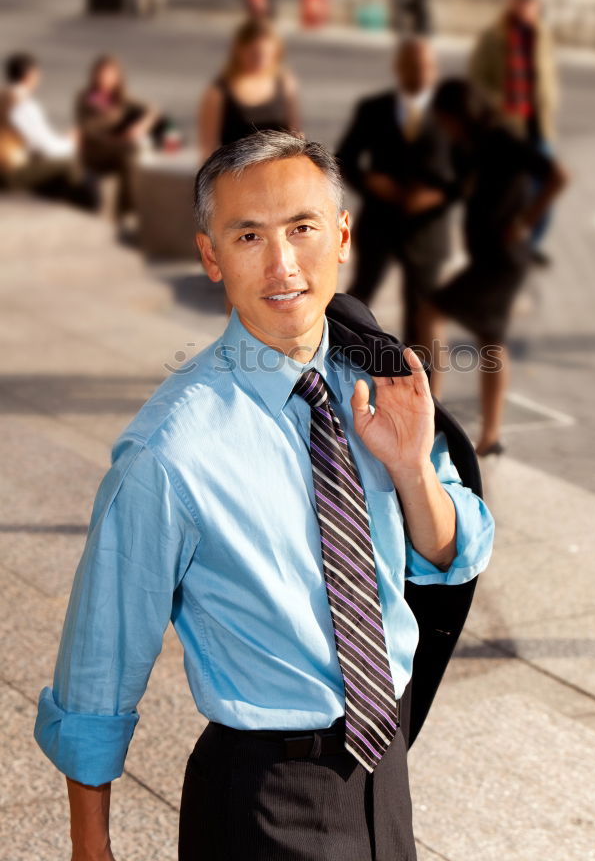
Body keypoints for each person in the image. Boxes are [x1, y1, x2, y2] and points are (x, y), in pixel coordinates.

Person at [33, 130, 494, 861]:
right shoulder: (170, 453)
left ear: (341, 235)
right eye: (249, 236)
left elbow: (453, 554)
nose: (282, 265)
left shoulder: (376, 376)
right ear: (211, 256)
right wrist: (92, 848)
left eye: (302, 228)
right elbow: (99, 662)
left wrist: (411, 468)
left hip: (385, 768)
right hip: (264, 801)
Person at [426, 79, 567, 456]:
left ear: (462, 114)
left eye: (447, 120)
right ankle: (490, 435)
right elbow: (460, 190)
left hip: (504, 258)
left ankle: (432, 408)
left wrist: (525, 221)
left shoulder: (502, 139)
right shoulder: (468, 145)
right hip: (491, 255)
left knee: (433, 309)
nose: (445, 128)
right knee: (491, 339)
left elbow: (557, 176)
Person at [336, 35, 454, 351]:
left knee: (422, 314)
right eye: (414, 66)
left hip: (427, 229)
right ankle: (340, 371)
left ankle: (424, 392)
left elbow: (471, 173)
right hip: (379, 223)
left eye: (428, 66)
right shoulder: (373, 109)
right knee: (357, 305)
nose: (422, 73)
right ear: (399, 68)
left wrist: (436, 196)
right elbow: (344, 158)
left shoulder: (451, 116)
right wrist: (370, 182)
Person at [469, 0, 560, 265]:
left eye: (531, 2)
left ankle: (529, 243)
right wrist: (500, 107)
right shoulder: (493, 36)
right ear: (512, 1)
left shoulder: (542, 34)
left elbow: (548, 74)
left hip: (538, 125)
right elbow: (476, 81)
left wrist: (549, 101)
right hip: (509, 128)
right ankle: (508, 247)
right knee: (513, 193)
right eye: (521, 0)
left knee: (545, 188)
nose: (525, 7)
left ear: (538, 5)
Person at [197, 18, 301, 162]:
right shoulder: (218, 92)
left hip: (277, 173)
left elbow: (296, 136)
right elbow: (207, 150)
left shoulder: (285, 84)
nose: (260, 61)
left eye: (266, 55)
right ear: (239, 51)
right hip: (236, 176)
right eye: (254, 54)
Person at [75, 55, 161, 223]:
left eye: (109, 75)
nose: (104, 79)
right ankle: (128, 211)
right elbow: (91, 132)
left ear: (117, 78)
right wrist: (120, 136)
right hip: (95, 153)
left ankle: (126, 212)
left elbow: (153, 109)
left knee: (132, 157)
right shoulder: (86, 98)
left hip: (118, 150)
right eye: (101, 74)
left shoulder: (121, 98)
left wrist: (141, 126)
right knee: (131, 152)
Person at [0, 52, 91, 206]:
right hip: (8, 172)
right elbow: (46, 148)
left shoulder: (4, 97)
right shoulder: (23, 104)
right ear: (30, 75)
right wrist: (71, 142)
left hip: (8, 166)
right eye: (37, 74)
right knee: (71, 166)